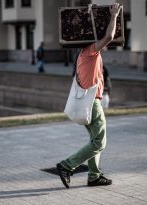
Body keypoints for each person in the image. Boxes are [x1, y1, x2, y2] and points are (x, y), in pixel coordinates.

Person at [56, 3, 122, 189]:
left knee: (94, 141)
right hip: (92, 103)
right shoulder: (91, 51)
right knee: (100, 141)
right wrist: (114, 15)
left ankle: (94, 176)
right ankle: (66, 166)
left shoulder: (82, 54)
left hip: (87, 102)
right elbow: (108, 36)